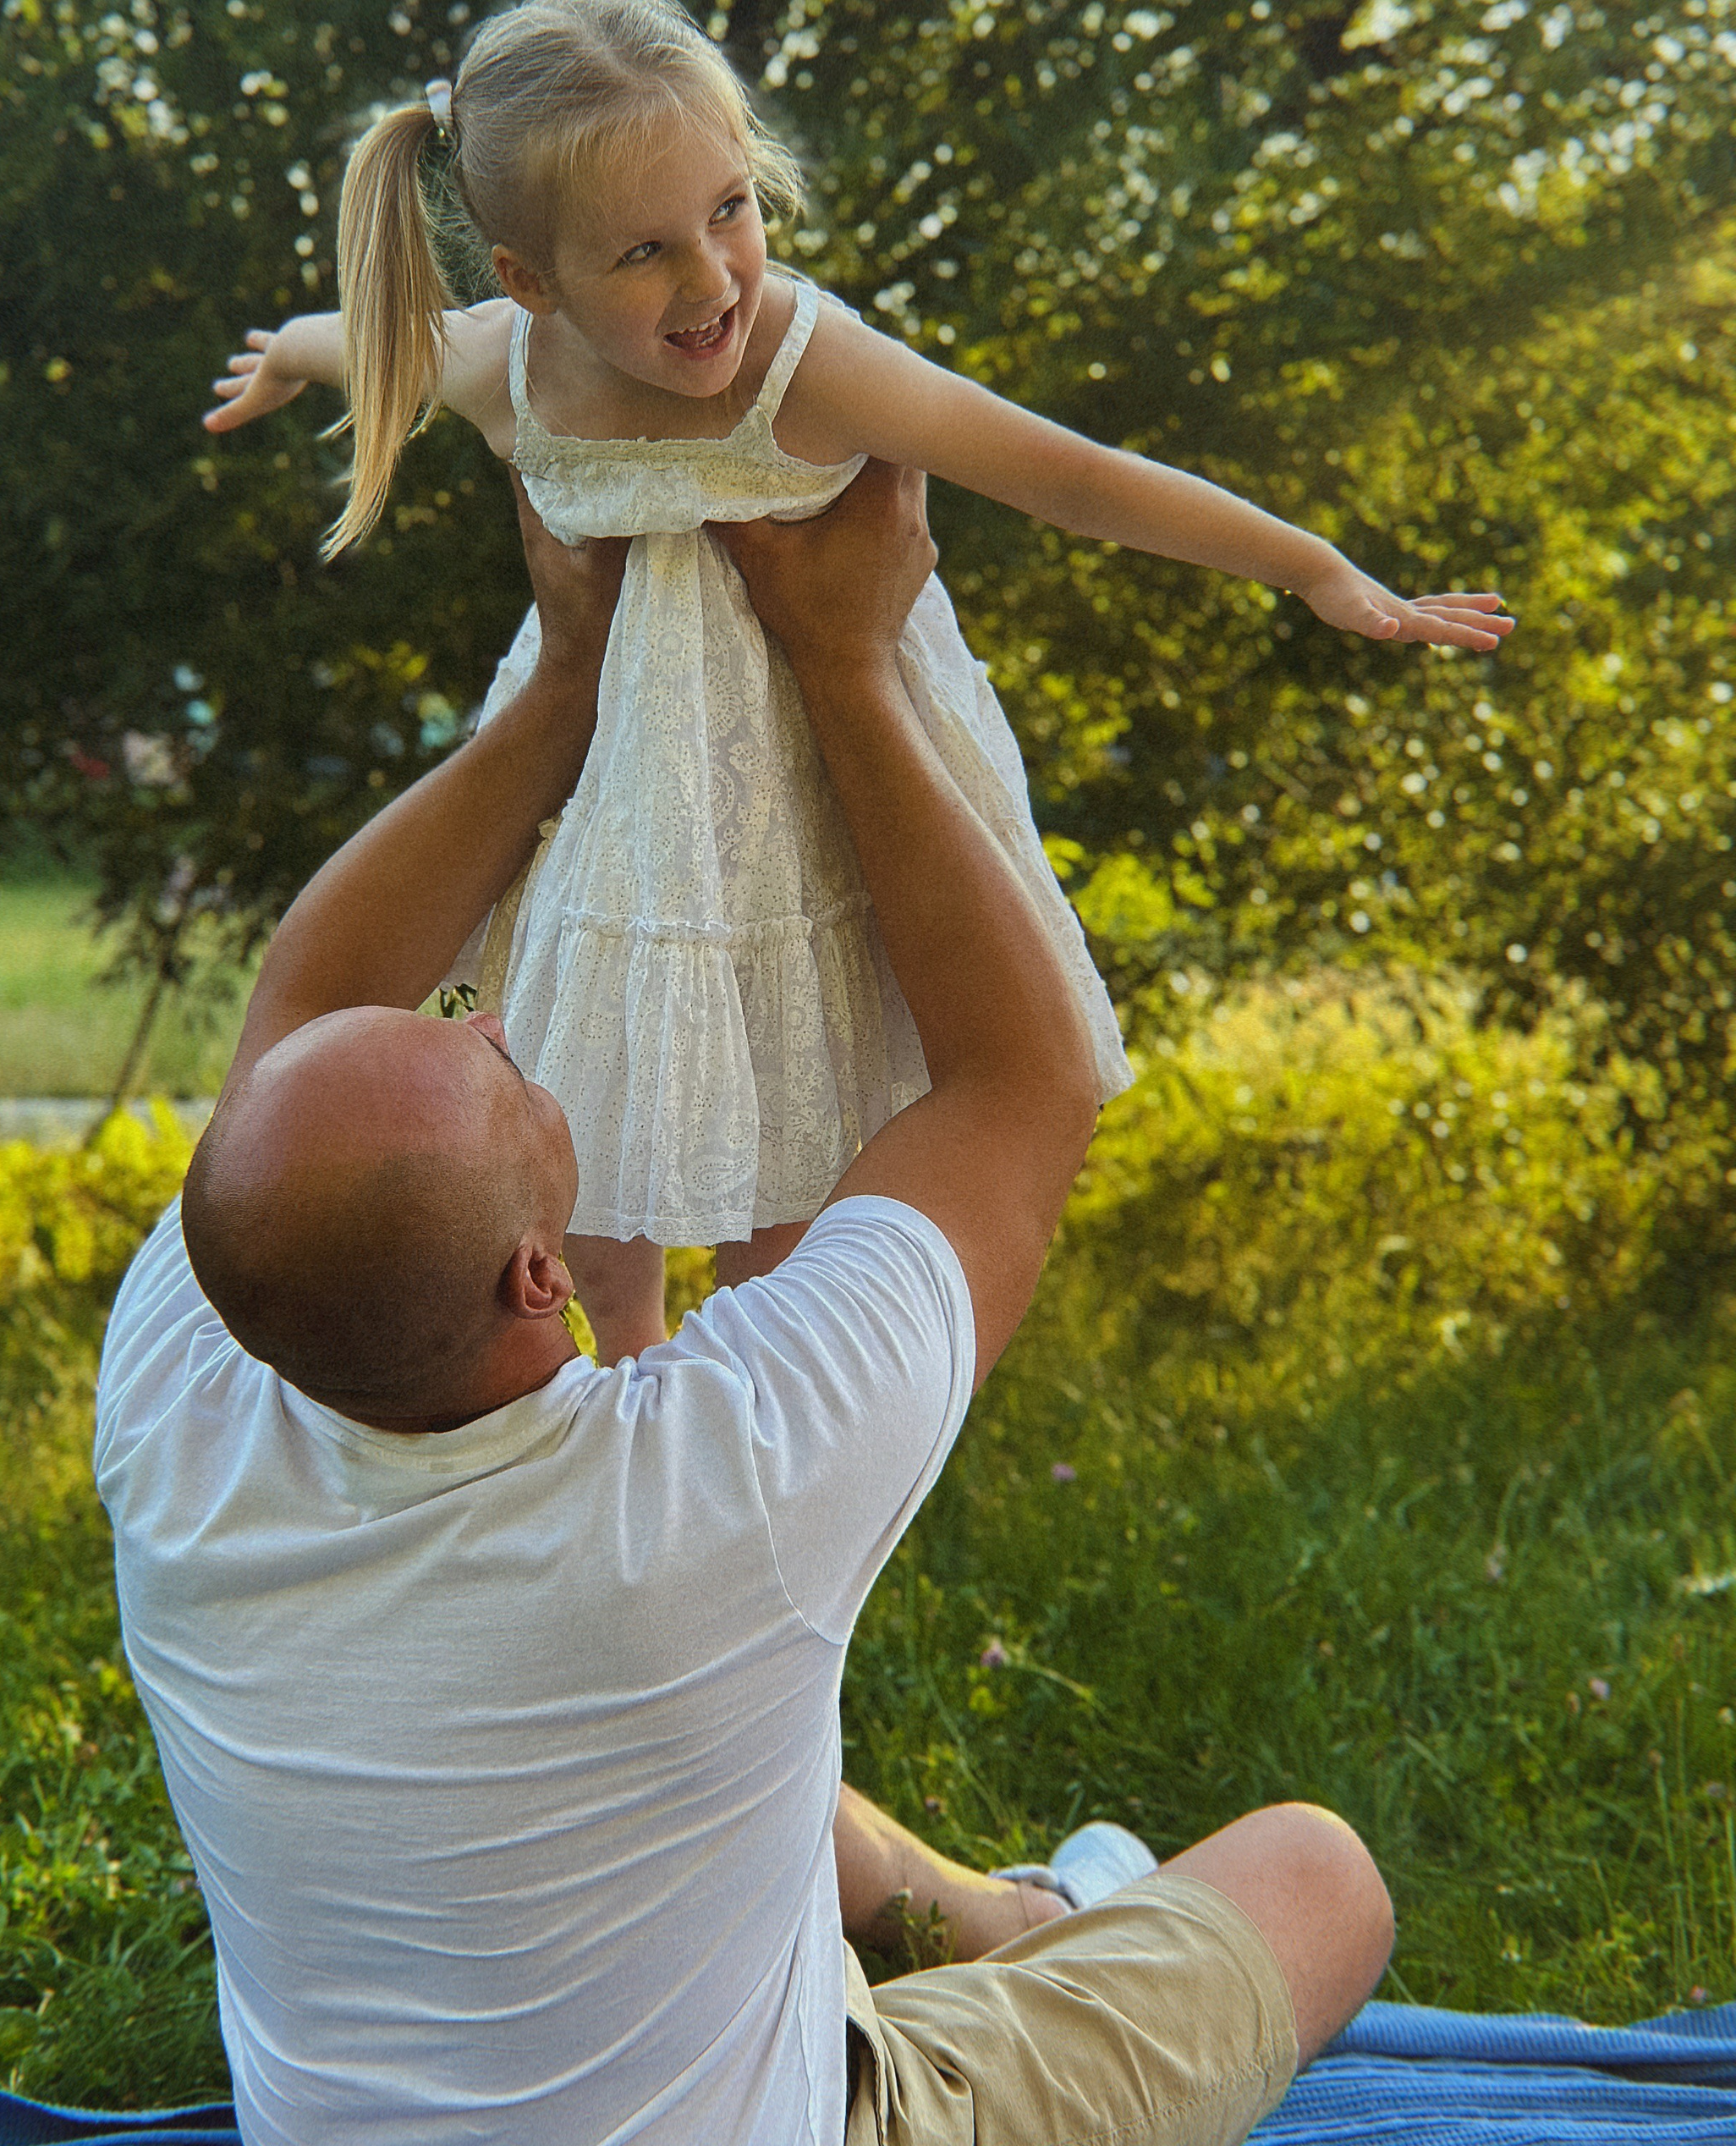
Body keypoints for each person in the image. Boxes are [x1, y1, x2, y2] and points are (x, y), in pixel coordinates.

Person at [95, 459, 1397, 2145]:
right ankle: (994, 1958)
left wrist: (559, 695)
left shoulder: (180, 1394)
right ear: (535, 1275)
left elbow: (307, 1003)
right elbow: (1025, 1078)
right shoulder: (712, 1494)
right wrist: (849, 663)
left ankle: (993, 1919)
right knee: (1317, 1871)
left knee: (731, 1754)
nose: (492, 1021)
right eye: (482, 1059)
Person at [201, 0, 1513, 1361]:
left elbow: (1068, 473)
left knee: (807, 1120)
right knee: (588, 1084)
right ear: (530, 281)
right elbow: (371, 345)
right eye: (645, 250)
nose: (711, 279)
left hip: (817, 794)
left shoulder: (804, 366)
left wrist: (1312, 566)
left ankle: (767, 1395)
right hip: (615, 794)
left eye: (731, 209)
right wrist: (286, 360)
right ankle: (617, 1366)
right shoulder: (502, 366)